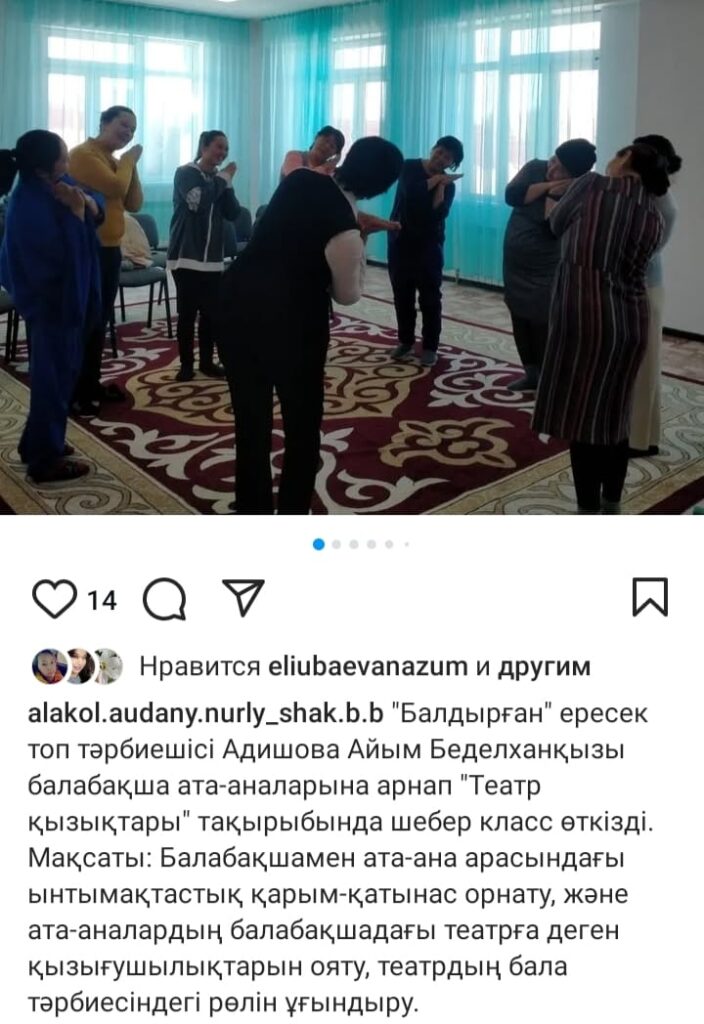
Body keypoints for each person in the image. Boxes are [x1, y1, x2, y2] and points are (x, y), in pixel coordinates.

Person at [220, 136, 404, 515]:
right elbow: (347, 295)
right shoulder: (346, 229)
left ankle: (252, 510)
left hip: (237, 307)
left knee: (251, 421)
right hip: (293, 325)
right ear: (381, 187)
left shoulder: (300, 179)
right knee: (302, 428)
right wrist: (361, 238)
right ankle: (292, 512)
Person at [532, 144, 668, 514]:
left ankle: (588, 509)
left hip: (584, 315)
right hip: (630, 321)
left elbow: (555, 225)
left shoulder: (590, 185)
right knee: (614, 415)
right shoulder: (653, 213)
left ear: (626, 160)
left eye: (619, 153)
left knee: (582, 419)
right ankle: (612, 503)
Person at [0, 130, 102, 482]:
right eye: (63, 158)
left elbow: (93, 199)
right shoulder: (28, 204)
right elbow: (59, 259)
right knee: (53, 379)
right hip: (52, 304)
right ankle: (45, 460)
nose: (68, 164)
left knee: (61, 373)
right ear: (43, 167)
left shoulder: (53, 183)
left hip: (67, 301)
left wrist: (89, 206)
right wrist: (77, 212)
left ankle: (37, 442)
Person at [503, 138, 597, 391]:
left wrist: (553, 193)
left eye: (562, 170)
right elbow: (512, 195)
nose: (553, 168)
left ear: (574, 175)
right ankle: (530, 373)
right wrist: (551, 185)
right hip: (515, 259)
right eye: (554, 160)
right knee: (517, 313)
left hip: (544, 265)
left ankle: (548, 377)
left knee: (541, 319)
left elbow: (551, 229)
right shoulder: (535, 166)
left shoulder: (577, 190)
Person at [69, 105, 143, 414]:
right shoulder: (83, 155)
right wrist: (128, 161)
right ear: (103, 122)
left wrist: (129, 166)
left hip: (111, 249)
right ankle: (75, 390)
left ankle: (91, 383)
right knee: (86, 321)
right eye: (123, 125)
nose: (128, 133)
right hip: (88, 250)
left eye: (133, 129)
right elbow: (114, 187)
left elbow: (134, 202)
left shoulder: (114, 161)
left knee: (99, 320)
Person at [167, 130, 240, 381]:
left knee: (211, 315)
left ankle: (207, 362)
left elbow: (233, 213)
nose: (223, 153)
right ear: (204, 147)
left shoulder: (218, 179)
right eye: (219, 147)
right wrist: (223, 178)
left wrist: (228, 184)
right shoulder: (185, 172)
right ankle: (186, 365)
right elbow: (197, 202)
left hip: (212, 259)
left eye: (226, 149)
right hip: (186, 255)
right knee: (188, 314)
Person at [387, 136, 464, 368]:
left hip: (429, 245)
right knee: (402, 294)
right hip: (400, 240)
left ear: (452, 164)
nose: (440, 158)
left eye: (447, 158)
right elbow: (411, 193)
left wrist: (441, 185)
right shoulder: (409, 166)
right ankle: (406, 341)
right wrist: (438, 179)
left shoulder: (449, 185)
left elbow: (437, 215)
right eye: (439, 152)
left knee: (430, 298)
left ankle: (430, 346)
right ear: (433, 149)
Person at [628, 134, 681, 456]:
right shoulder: (640, 194)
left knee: (645, 368)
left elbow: (645, 252)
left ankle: (640, 440)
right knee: (635, 366)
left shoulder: (664, 204)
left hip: (645, 288)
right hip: (633, 286)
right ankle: (637, 435)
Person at [279, 126, 345, 181]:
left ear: (334, 154)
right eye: (326, 140)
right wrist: (326, 167)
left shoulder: (331, 172)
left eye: (332, 146)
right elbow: (298, 181)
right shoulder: (293, 156)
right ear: (316, 137)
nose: (327, 146)